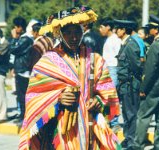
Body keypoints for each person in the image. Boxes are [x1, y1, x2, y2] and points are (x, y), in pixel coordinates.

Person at [19, 6, 121, 150]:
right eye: (68, 33)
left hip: (90, 126)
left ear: (83, 31)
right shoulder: (48, 61)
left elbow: (107, 92)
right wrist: (58, 99)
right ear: (59, 34)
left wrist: (98, 102)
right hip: (60, 128)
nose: (74, 37)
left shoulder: (94, 58)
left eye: (77, 32)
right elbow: (34, 96)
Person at [133, 15, 159, 150]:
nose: (149, 30)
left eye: (151, 28)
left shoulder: (156, 45)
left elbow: (150, 70)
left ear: (157, 30)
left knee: (144, 116)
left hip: (154, 86)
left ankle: (138, 145)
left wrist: (143, 88)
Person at [115, 19, 142, 149]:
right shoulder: (125, 44)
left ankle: (132, 142)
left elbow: (137, 66)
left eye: (118, 29)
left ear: (124, 30)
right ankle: (128, 138)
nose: (116, 31)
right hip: (124, 85)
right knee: (126, 114)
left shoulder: (131, 45)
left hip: (130, 85)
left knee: (131, 114)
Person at [10, 18, 40, 125]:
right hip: (21, 70)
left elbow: (13, 50)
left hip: (23, 71)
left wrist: (14, 38)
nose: (14, 29)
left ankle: (24, 117)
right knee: (21, 95)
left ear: (20, 27)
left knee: (23, 95)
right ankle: (23, 115)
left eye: (16, 27)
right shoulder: (24, 39)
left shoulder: (25, 39)